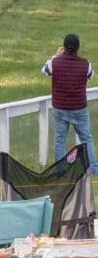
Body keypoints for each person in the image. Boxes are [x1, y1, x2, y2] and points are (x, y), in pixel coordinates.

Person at [42, 34, 98, 174]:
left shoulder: (54, 62)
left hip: (60, 108)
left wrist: (55, 56)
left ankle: (61, 171)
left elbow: (45, 71)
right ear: (78, 48)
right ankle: (92, 168)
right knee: (86, 138)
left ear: (64, 47)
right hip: (79, 108)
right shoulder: (86, 63)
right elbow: (91, 75)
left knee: (60, 140)